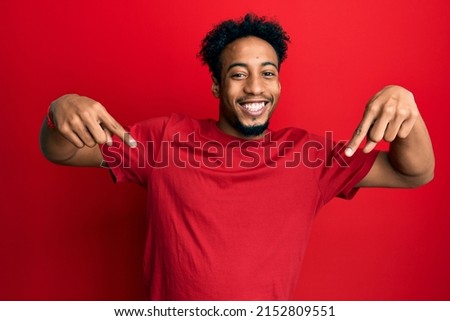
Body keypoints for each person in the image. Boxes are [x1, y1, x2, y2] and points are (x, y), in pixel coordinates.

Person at [39, 13, 434, 300]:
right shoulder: (164, 140)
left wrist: (408, 108)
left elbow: (414, 173)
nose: (255, 88)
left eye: (268, 72)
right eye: (239, 74)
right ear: (216, 85)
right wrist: (59, 109)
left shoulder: (309, 156)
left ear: (279, 81)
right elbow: (64, 153)